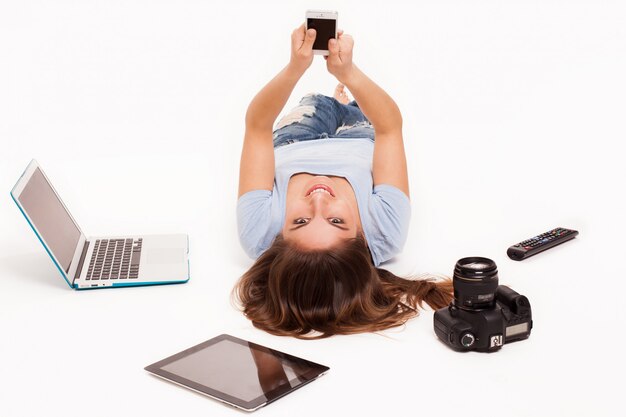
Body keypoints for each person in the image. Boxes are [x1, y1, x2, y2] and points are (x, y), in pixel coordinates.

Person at [234, 24, 452, 339]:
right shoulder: (385, 229)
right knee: (363, 113)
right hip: (361, 142)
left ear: (279, 234)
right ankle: (348, 105)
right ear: (363, 236)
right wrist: (348, 71)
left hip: (296, 140)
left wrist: (295, 68)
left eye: (300, 220)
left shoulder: (258, 232)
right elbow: (389, 127)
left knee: (316, 103)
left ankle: (335, 103)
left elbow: (257, 126)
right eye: (336, 220)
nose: (319, 199)